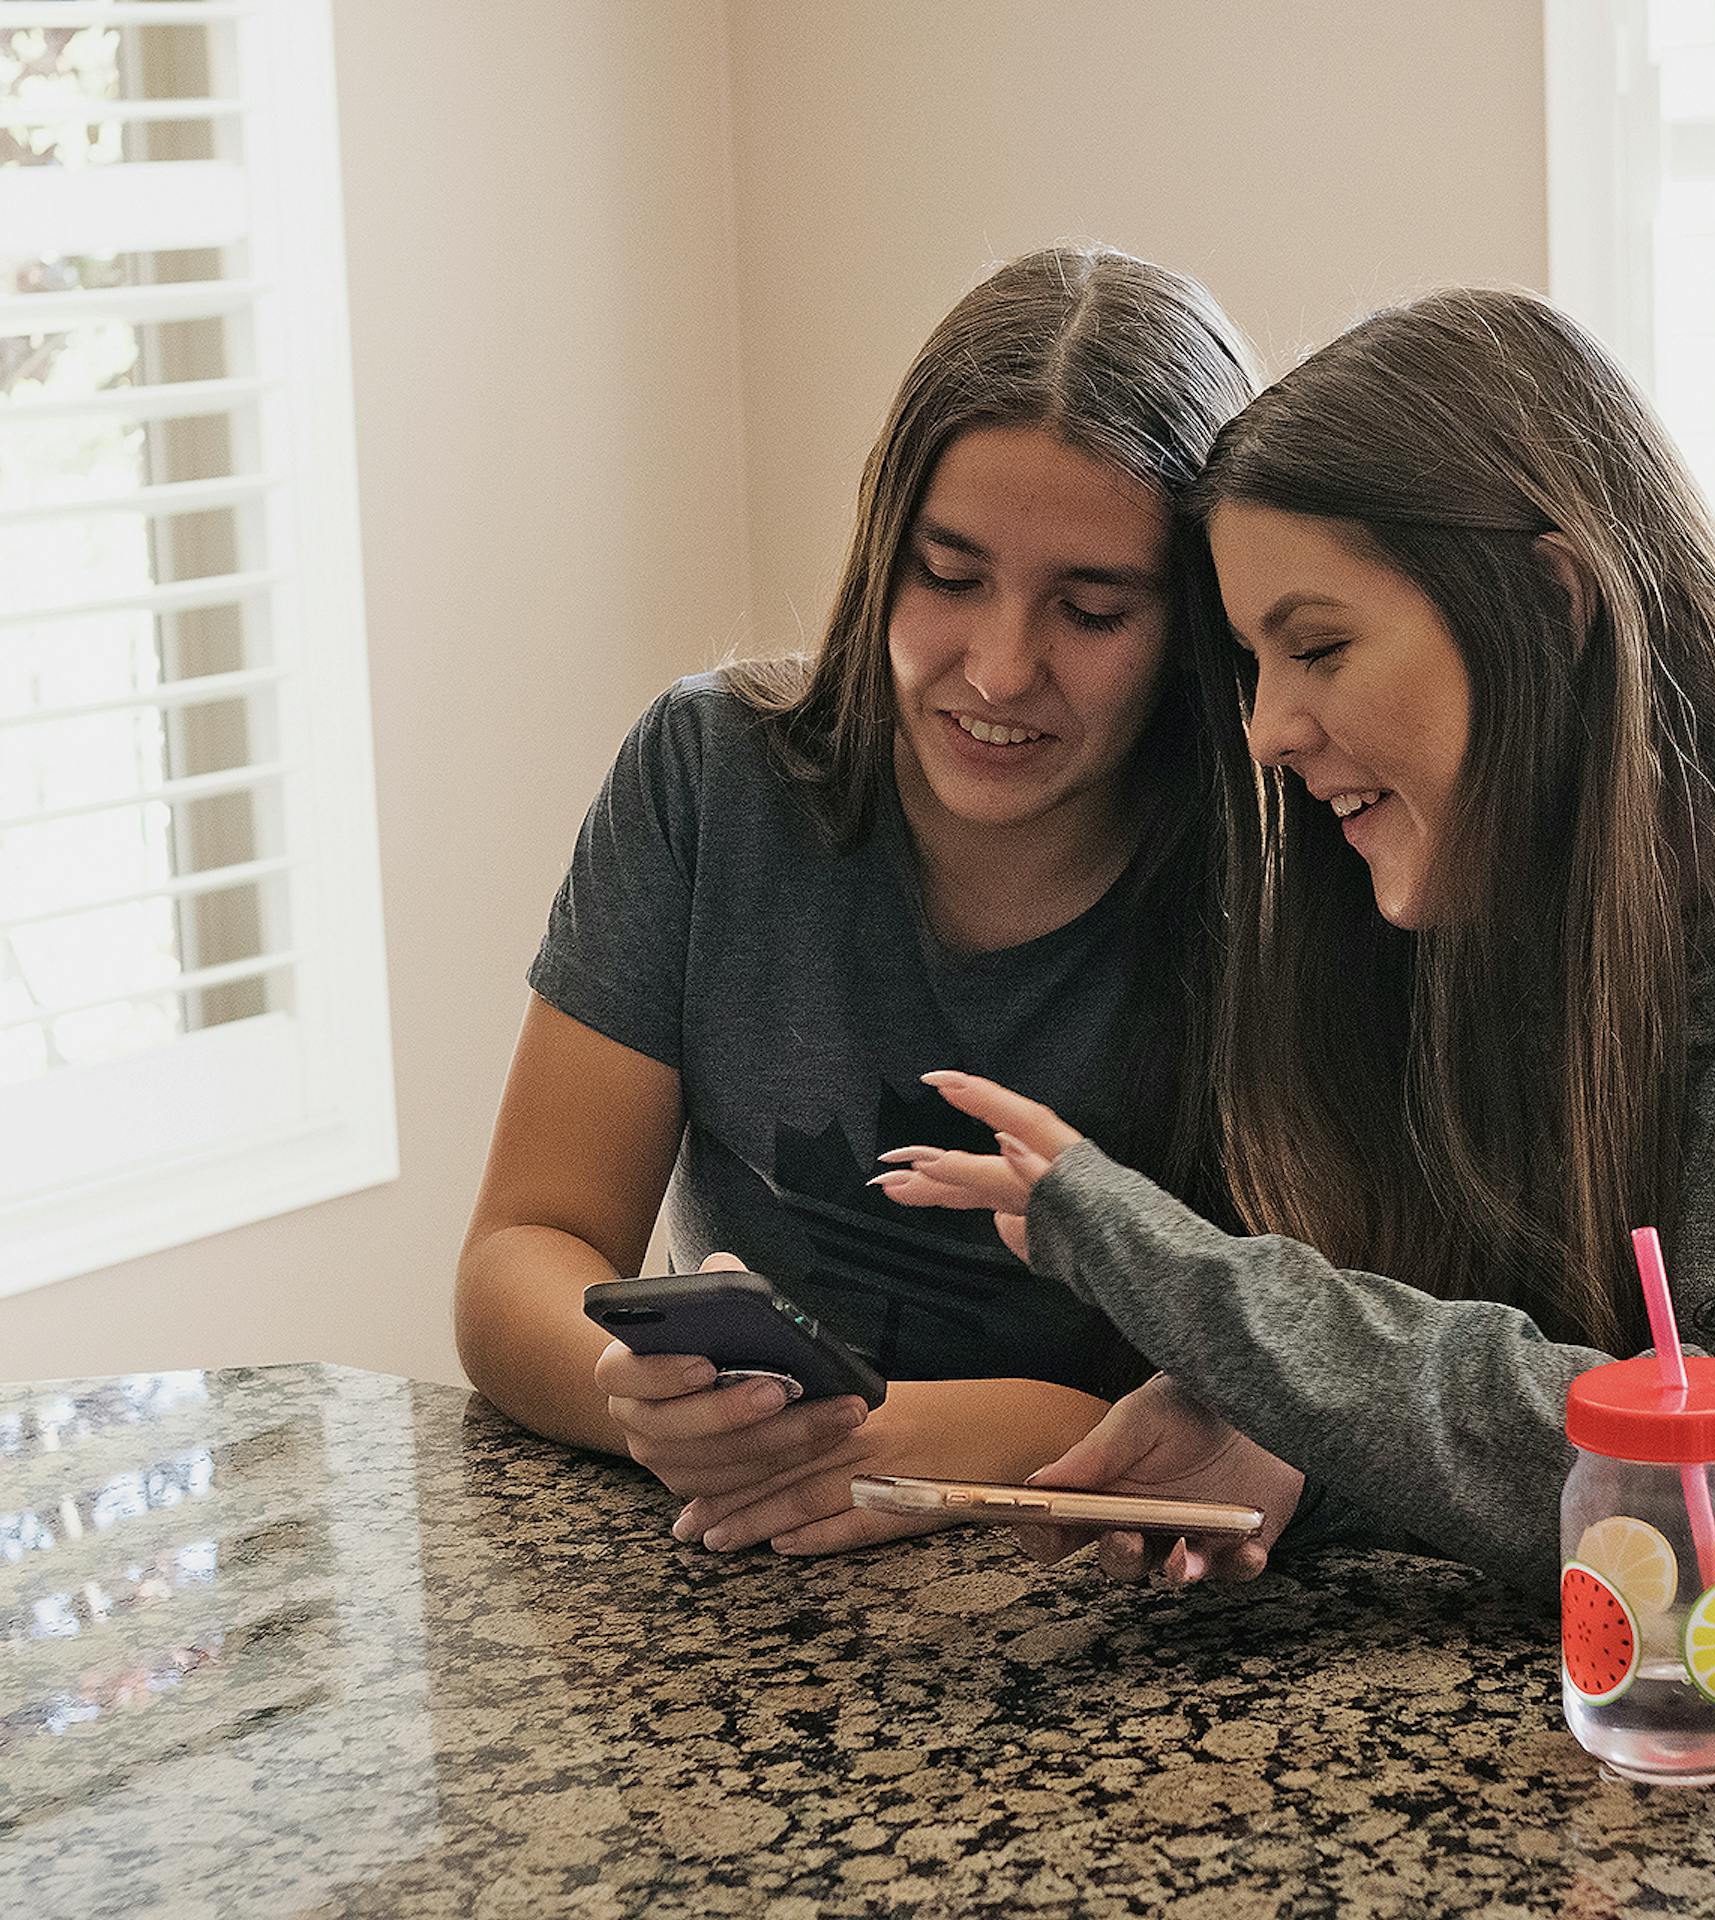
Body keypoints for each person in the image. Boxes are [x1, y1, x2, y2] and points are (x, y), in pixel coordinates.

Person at [873, 287, 1715, 1628]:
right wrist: (1303, 1455)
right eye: (1249, 663)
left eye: (1320, 645)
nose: (1270, 730)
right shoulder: (1470, 944)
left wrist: (1184, 1277)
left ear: (1550, 605)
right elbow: (1536, 1439)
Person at [456, 245, 1258, 1556]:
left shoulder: (1277, 880)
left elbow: (1302, 1384)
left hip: (1102, 1600)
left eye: (1092, 609)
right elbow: (523, 1251)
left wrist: (992, 1427)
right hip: (748, 1564)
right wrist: (641, 1403)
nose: (999, 670)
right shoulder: (709, 775)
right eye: (949, 579)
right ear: (882, 547)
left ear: (1197, 630)